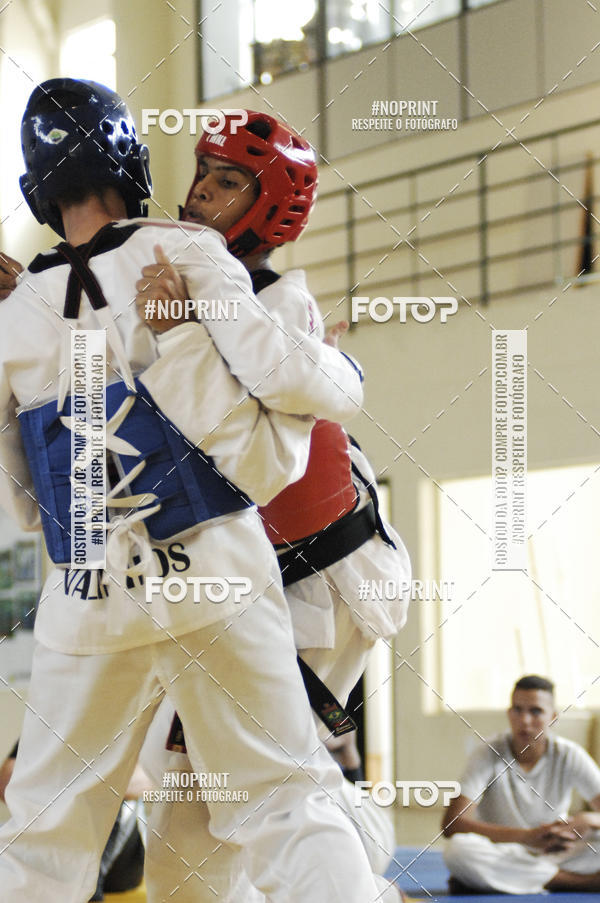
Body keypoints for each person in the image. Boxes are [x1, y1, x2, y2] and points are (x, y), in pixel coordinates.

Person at [0, 78, 381, 903]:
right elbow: (290, 383)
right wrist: (346, 369)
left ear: (37, 186)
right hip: (217, 573)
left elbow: (22, 500)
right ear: (130, 161)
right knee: (284, 799)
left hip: (89, 595)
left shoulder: (15, 313)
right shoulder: (187, 252)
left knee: (41, 839)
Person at [134, 110, 410, 903]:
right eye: (202, 172)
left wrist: (176, 334)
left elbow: (242, 448)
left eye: (227, 182)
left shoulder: (280, 306)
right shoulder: (183, 290)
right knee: (186, 844)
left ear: (272, 207)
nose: (200, 192)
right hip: (245, 588)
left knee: (274, 795)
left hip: (320, 581)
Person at [442, 674, 600, 894]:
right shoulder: (488, 752)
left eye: (535, 711)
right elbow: (452, 824)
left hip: (555, 852)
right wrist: (527, 837)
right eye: (518, 710)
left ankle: (496, 880)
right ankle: (574, 882)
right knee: (458, 850)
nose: (524, 720)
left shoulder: (569, 754)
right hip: (501, 851)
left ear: (553, 717)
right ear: (509, 714)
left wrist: (588, 819)